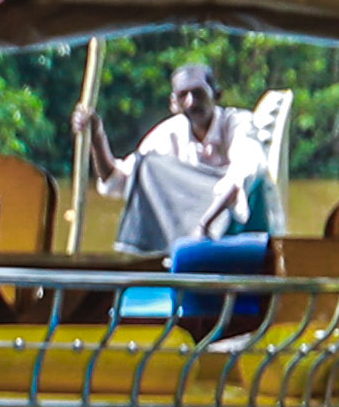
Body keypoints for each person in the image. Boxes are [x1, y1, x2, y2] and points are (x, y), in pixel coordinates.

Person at [90, 60, 278, 332]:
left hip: (241, 241)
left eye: (199, 93)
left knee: (251, 181)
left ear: (217, 94)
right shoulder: (169, 134)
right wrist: (97, 137)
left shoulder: (238, 123)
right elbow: (119, 182)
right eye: (183, 96)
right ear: (174, 103)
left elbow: (244, 172)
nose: (191, 102)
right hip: (192, 251)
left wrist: (204, 225)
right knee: (149, 164)